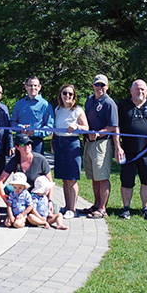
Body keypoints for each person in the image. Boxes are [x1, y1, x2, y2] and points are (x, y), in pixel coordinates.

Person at [116, 80, 147, 221]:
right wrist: (118, 146)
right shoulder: (123, 106)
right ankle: (126, 209)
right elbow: (116, 127)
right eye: (137, 89)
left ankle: (146, 209)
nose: (140, 92)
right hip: (128, 151)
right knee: (126, 181)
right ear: (131, 91)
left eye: (143, 89)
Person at [80, 74, 120, 219]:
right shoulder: (89, 100)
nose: (99, 88)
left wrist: (97, 134)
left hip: (102, 143)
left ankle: (103, 208)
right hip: (89, 143)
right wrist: (86, 136)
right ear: (93, 86)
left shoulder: (109, 103)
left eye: (102, 85)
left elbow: (113, 126)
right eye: (97, 85)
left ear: (107, 87)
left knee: (102, 177)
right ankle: (96, 205)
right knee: (94, 177)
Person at [53, 83, 88, 218]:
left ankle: (72, 209)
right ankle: (67, 206)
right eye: (64, 93)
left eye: (70, 94)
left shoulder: (78, 110)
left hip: (72, 143)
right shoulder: (58, 109)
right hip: (59, 143)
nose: (67, 96)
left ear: (74, 96)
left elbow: (86, 127)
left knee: (72, 178)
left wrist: (77, 125)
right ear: (60, 95)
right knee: (64, 179)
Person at [0, 134, 55, 207]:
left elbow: (51, 183)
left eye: (28, 143)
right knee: (8, 188)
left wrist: (50, 201)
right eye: (23, 144)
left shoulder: (41, 160)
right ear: (17, 147)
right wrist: (4, 197)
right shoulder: (14, 161)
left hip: (37, 195)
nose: (27, 146)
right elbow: (0, 181)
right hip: (21, 195)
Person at [10, 76, 54, 155]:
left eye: (35, 85)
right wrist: (20, 128)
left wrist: (35, 132)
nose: (32, 88)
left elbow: (49, 127)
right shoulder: (19, 104)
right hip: (21, 141)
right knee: (20, 165)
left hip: (36, 143)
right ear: (26, 87)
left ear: (39, 87)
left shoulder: (46, 105)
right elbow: (12, 122)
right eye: (30, 85)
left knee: (36, 166)